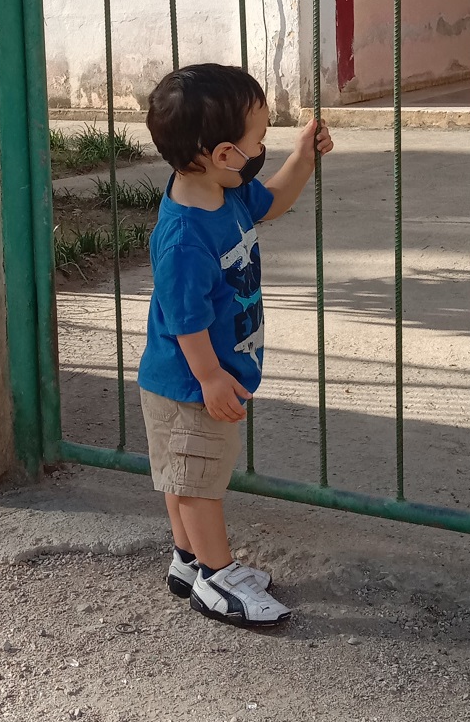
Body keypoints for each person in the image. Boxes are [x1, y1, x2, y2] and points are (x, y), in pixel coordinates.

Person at [137, 63, 334, 627]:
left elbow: (273, 200)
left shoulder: (225, 193)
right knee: (199, 485)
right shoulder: (184, 237)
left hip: (199, 380)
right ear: (224, 154)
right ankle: (217, 577)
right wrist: (209, 377)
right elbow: (185, 320)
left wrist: (304, 158)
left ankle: (187, 560)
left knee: (183, 476)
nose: (263, 149)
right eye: (260, 139)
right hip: (191, 385)